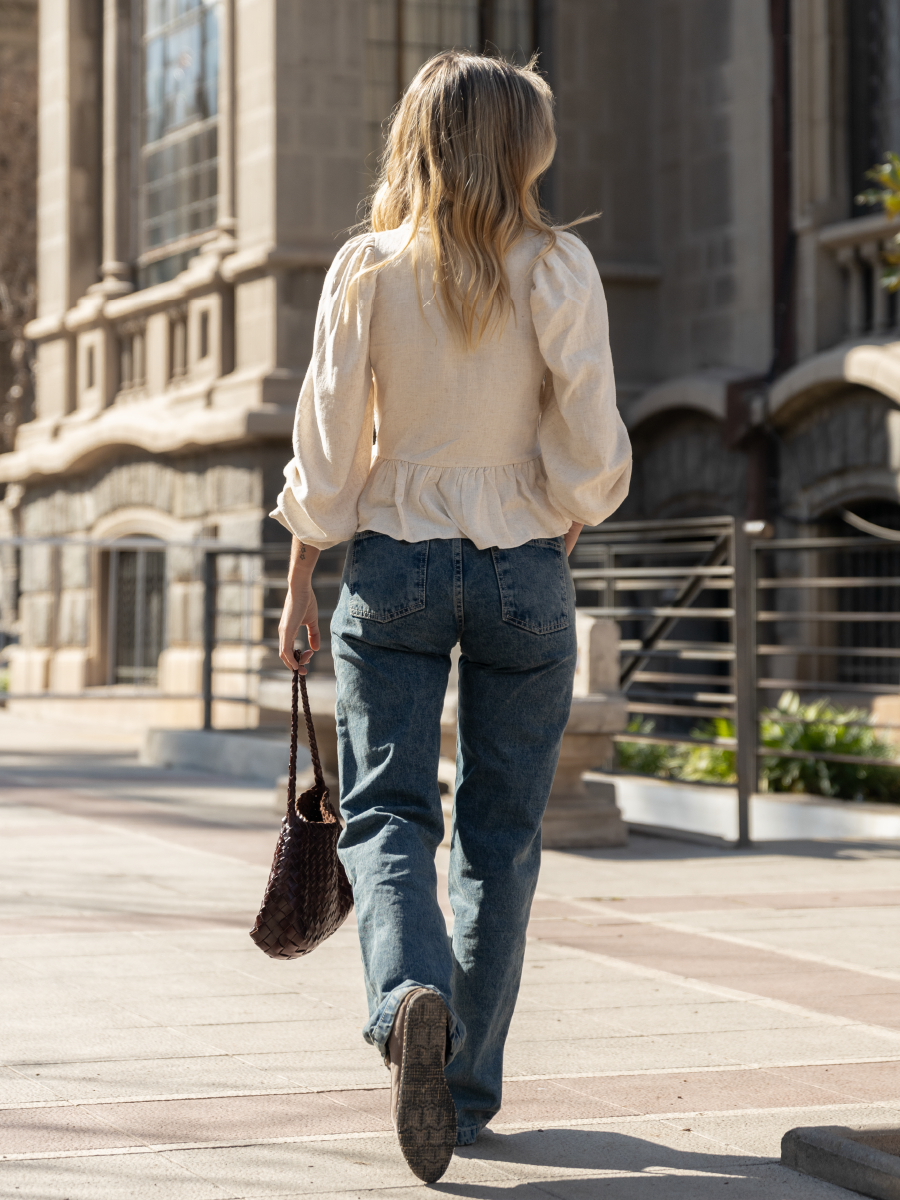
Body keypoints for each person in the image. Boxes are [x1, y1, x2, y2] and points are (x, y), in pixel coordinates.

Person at [272, 49, 631, 1184]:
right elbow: (591, 438)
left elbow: (327, 451)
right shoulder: (560, 265)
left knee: (386, 815)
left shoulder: (367, 267)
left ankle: (405, 999)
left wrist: (297, 582)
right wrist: (564, 516)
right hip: (525, 566)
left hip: (394, 564)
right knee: (503, 836)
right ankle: (465, 1090)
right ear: (523, 147)